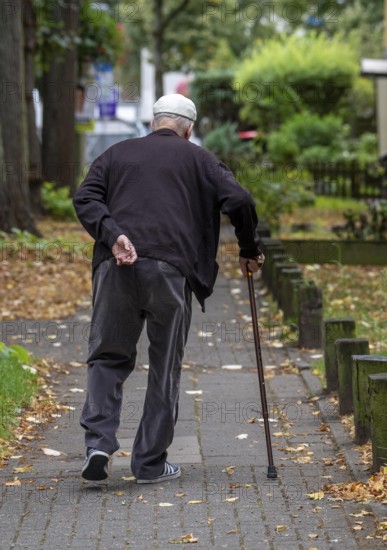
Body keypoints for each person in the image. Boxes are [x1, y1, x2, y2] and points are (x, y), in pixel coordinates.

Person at [73, 93, 264, 484]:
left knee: (107, 357)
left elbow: (85, 197)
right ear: (188, 130)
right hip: (171, 270)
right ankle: (150, 463)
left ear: (153, 122)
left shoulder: (117, 153)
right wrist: (248, 249)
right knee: (164, 366)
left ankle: (98, 445)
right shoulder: (201, 159)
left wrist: (114, 235)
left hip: (117, 265)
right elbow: (240, 200)